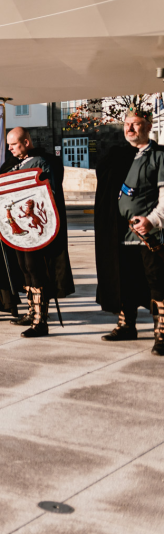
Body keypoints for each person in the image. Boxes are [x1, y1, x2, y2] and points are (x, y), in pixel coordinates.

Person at [0, 127, 75, 337]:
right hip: (17, 227)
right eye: (8, 145)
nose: (9, 148)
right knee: (24, 268)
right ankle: (31, 311)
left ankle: (41, 320)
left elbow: (47, 193)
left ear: (26, 142)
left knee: (35, 269)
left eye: (13, 144)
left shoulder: (40, 162)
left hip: (35, 229)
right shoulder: (14, 164)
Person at [92, 110, 164, 355]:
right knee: (124, 279)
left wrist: (153, 221)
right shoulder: (120, 156)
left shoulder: (160, 156)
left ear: (148, 126)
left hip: (149, 235)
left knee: (158, 282)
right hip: (121, 235)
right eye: (126, 124)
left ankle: (162, 333)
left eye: (136, 124)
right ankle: (126, 325)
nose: (130, 129)